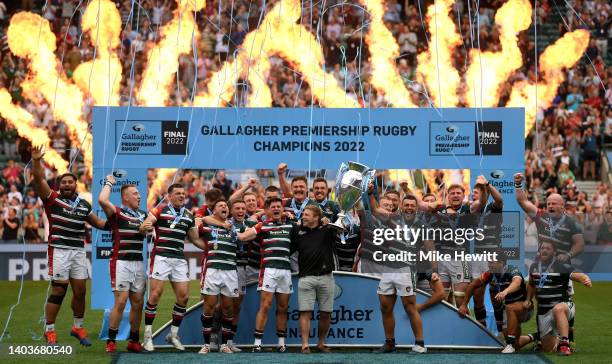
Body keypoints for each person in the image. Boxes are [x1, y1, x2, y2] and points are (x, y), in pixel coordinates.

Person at [30, 145, 108, 346]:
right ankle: (50, 330)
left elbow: (98, 223)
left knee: (81, 291)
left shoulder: (83, 205)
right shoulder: (52, 199)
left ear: (76, 184)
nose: (66, 185)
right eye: (63, 182)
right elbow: (38, 179)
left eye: (70, 182)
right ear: (59, 185)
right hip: (59, 250)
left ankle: (78, 327)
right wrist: (37, 161)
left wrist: (118, 222)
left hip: (78, 252)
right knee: (59, 290)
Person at [140, 183, 206, 351]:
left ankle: (173, 335)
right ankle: (147, 337)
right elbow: (145, 225)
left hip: (178, 258)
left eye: (183, 193)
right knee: (155, 295)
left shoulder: (189, 215)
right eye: (178, 193)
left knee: (183, 298)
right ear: (169, 196)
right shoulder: (160, 209)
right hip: (161, 256)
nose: (182, 196)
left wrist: (212, 247)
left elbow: (195, 239)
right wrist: (144, 226)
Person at [197, 199, 261, 354]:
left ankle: (225, 344)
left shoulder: (239, 228)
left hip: (232, 271)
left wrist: (262, 212)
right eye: (221, 205)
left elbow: (254, 228)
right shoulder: (208, 226)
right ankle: (206, 344)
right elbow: (199, 219)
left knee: (229, 308)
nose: (224, 207)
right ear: (214, 211)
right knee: (209, 307)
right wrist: (220, 224)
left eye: (226, 205)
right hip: (212, 270)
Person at [370, 195, 431, 353]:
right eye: (407, 205)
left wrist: (435, 270)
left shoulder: (422, 225)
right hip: (388, 268)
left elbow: (431, 249)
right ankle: (390, 343)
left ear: (416, 208)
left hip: (406, 269)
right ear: (401, 207)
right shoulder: (393, 218)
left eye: (412, 205)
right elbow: (375, 209)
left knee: (410, 307)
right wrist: (370, 193)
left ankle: (420, 344)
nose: (409, 207)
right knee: (385, 307)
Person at [98, 175, 147, 353]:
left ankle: (134, 340)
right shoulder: (117, 213)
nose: (139, 196)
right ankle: (111, 340)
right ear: (125, 197)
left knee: (138, 302)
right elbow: (102, 200)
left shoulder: (144, 215)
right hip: (121, 262)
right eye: (135, 194)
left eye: (139, 194)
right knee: (121, 301)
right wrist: (110, 182)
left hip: (138, 263)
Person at [521, 241, 592, 355]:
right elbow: (531, 285)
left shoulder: (561, 266)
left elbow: (576, 275)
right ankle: (548, 338)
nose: (544, 250)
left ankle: (565, 344)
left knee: (558, 309)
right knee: (548, 349)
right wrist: (528, 299)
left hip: (564, 306)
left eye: (548, 248)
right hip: (543, 311)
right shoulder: (534, 266)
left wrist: (585, 278)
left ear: (554, 252)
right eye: (542, 248)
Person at [459, 250, 531, 354]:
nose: (489, 264)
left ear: (501, 263)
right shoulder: (489, 274)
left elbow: (517, 282)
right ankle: (534, 337)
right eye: (489, 262)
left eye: (492, 262)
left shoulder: (512, 271)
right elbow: (472, 285)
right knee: (513, 343)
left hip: (525, 308)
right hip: (510, 310)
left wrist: (505, 292)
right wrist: (464, 304)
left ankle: (510, 344)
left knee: (510, 307)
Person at [290, 205, 338, 354]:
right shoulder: (297, 231)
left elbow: (345, 230)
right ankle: (305, 344)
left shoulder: (328, 229)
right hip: (306, 277)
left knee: (326, 313)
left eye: (307, 215)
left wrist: (328, 221)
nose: (303, 217)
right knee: (305, 312)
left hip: (326, 277)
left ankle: (321, 343)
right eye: (303, 214)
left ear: (316, 218)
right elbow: (289, 249)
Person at [252, 196, 296, 352]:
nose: (277, 208)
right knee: (265, 305)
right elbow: (245, 235)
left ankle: (281, 342)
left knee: (283, 307)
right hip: (269, 269)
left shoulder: (291, 226)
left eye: (279, 206)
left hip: (285, 270)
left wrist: (290, 215)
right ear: (267, 210)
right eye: (273, 207)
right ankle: (257, 343)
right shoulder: (262, 226)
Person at [470, 175, 504, 329]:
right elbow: (480, 202)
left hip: (494, 255)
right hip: (478, 256)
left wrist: (487, 185)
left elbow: (500, 200)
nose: (473, 195)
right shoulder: (473, 209)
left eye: (476, 192)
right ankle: (482, 330)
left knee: (495, 294)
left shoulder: (494, 207)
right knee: (477, 294)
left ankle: (500, 331)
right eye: (472, 193)